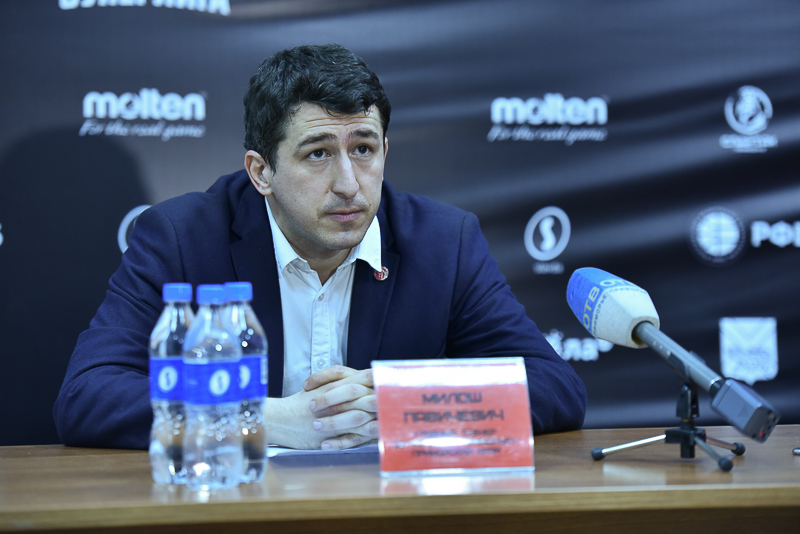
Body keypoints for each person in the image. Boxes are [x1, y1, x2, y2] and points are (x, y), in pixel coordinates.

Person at [54, 44, 587, 451]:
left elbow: (555, 388)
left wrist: (403, 404)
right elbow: (89, 395)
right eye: (317, 154)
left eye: (364, 149)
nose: (349, 184)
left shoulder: (443, 242)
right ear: (261, 172)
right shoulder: (182, 237)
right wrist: (261, 418)